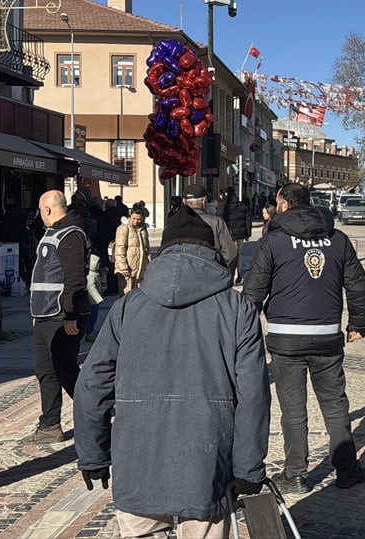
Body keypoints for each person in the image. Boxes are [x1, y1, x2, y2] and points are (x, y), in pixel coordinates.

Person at [74, 205, 269, 537]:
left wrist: (93, 454)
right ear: (212, 252)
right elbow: (253, 395)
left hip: (138, 458)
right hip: (207, 461)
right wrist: (248, 466)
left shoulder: (127, 308)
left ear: (161, 252)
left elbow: (92, 385)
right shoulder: (238, 310)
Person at [242, 182, 365, 494]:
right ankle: (347, 469)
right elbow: (356, 284)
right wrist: (358, 324)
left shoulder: (272, 242)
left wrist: (242, 333)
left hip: (286, 340)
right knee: (335, 404)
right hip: (327, 336)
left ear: (283, 205)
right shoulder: (338, 239)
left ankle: (296, 474)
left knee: (293, 408)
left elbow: (253, 293)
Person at [24, 190, 90, 444]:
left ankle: (94, 412)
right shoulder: (54, 232)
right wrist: (37, 312)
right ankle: (50, 424)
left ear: (48, 209)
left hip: (62, 315)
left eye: (41, 210)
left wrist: (71, 315)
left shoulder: (71, 234)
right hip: (46, 314)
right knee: (46, 371)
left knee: (65, 370)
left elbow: (74, 279)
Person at [180, 182, 238, 268]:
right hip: (211, 273)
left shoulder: (174, 222)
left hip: (182, 274)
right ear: (204, 201)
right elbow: (230, 254)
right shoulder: (216, 223)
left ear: (184, 202)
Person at [114, 208, 150, 294]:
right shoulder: (124, 228)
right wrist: (123, 267)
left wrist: (148, 264)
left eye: (139, 219)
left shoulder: (143, 229)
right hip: (128, 269)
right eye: (133, 218)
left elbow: (146, 249)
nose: (136, 221)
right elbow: (119, 248)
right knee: (126, 295)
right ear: (130, 216)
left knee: (138, 297)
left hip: (140, 269)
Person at [220, 190, 252, 285]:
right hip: (241, 235)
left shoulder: (225, 207)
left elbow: (222, 219)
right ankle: (238, 275)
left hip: (230, 234)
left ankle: (233, 274)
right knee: (239, 254)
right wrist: (248, 234)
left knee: (231, 254)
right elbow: (248, 220)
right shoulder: (243, 206)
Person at [95, 199, 123, 295]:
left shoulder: (105, 217)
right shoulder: (119, 216)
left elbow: (101, 232)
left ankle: (111, 288)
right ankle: (116, 287)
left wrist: (97, 245)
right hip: (117, 244)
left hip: (106, 245)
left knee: (108, 266)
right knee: (115, 266)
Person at [84, 251, 105, 343]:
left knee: (92, 316)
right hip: (92, 300)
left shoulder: (94, 273)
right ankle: (89, 332)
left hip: (93, 300)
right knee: (92, 316)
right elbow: (91, 288)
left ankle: (90, 331)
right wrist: (98, 299)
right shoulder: (91, 275)